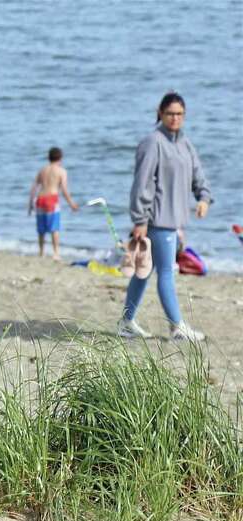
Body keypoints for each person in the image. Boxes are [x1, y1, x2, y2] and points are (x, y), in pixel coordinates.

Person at [117, 92, 212, 342]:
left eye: (179, 114)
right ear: (160, 113)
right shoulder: (153, 142)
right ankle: (177, 326)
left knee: (144, 272)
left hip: (175, 220)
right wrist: (139, 219)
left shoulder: (184, 143)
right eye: (170, 113)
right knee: (167, 272)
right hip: (156, 220)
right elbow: (142, 183)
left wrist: (203, 198)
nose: (175, 118)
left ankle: (126, 322)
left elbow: (197, 174)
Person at [27, 147, 79, 260]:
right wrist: (72, 204)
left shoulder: (42, 170)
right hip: (52, 199)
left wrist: (30, 204)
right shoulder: (61, 171)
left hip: (40, 199)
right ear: (60, 158)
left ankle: (41, 252)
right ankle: (56, 253)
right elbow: (64, 190)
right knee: (54, 228)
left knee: (41, 229)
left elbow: (34, 188)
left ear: (49, 157)